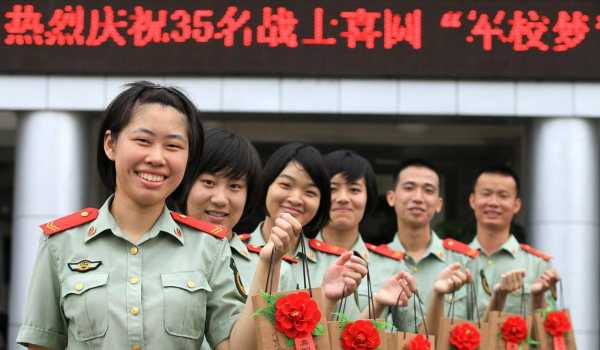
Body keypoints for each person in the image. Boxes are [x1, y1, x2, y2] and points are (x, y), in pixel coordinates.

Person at [16, 82, 298, 350]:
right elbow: (42, 343)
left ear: (189, 158)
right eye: (143, 140)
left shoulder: (209, 247)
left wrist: (268, 266)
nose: (157, 158)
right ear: (111, 145)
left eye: (173, 146)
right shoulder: (60, 242)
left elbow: (238, 346)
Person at [241, 143, 371, 318]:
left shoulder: (336, 265)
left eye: (310, 192)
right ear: (265, 186)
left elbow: (345, 338)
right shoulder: (231, 252)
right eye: (286, 185)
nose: (296, 199)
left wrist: (327, 301)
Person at [315, 150, 416, 319]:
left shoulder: (393, 266)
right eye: (332, 189)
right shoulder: (295, 259)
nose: (343, 198)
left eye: (354, 189)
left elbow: (415, 335)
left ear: (369, 198)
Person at [384, 159, 477, 331]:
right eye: (409, 188)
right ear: (391, 197)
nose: (418, 198)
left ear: (439, 204)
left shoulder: (464, 262)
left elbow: (481, 328)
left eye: (428, 190)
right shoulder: (376, 262)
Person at [467, 164, 560, 318]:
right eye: (486, 194)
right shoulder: (456, 261)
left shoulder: (537, 264)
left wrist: (538, 298)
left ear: (516, 205)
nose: (493, 203)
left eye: (503, 196)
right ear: (472, 200)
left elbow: (549, 333)